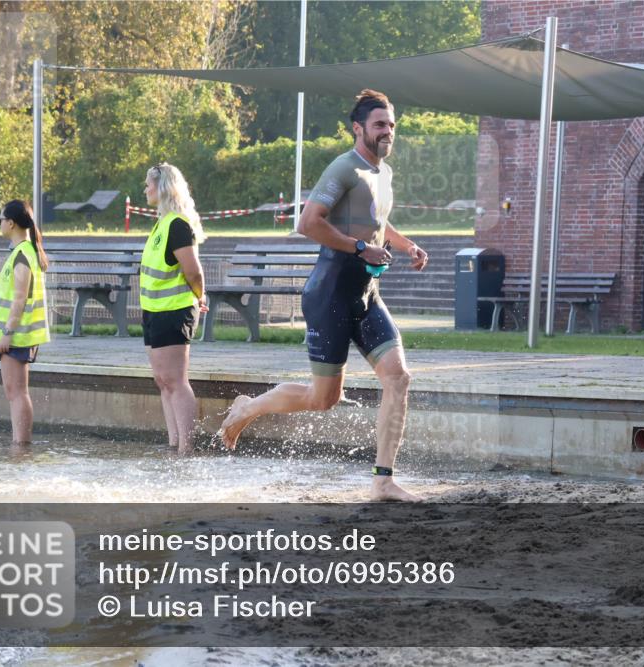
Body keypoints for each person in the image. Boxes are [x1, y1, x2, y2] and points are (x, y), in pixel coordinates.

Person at [220, 89, 429, 502]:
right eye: (379, 125)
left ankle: (383, 481)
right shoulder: (343, 168)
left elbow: (376, 223)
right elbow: (307, 223)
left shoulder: (382, 174)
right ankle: (247, 408)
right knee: (323, 400)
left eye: (391, 125)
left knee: (398, 378)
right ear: (358, 129)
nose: (387, 131)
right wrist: (357, 247)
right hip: (330, 293)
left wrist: (405, 245)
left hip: (367, 294)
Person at [141, 163, 208, 454]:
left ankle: (187, 449)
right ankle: (173, 444)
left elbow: (193, 271)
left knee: (176, 381)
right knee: (162, 380)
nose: (145, 189)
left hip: (174, 310)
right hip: (154, 311)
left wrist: (200, 297)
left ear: (164, 187)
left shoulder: (178, 224)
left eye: (149, 184)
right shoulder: (162, 223)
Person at [0, 200, 50, 454]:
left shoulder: (23, 255)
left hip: (18, 335)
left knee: (17, 392)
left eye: (0, 219)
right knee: (14, 391)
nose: (0, 224)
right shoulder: (22, 251)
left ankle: (21, 445)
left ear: (11, 223)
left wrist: (8, 333)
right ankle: (19, 443)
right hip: (18, 335)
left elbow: (19, 299)